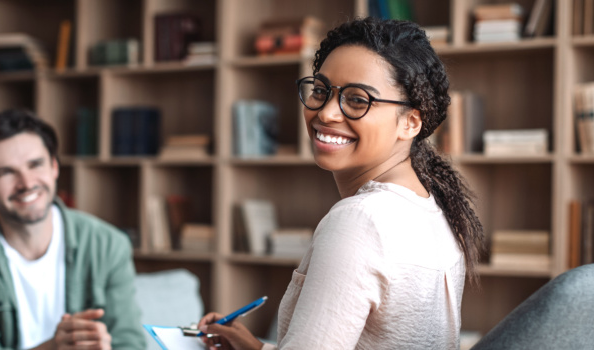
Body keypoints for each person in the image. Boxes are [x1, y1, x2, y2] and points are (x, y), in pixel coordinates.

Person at [197, 18, 484, 350]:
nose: (327, 113)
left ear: (410, 122)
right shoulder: (431, 208)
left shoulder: (361, 220)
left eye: (358, 100)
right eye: (321, 91)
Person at [0, 109, 148, 350]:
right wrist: (55, 347)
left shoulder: (108, 244)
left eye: (35, 165)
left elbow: (131, 344)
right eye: (6, 172)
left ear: (54, 167)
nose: (27, 183)